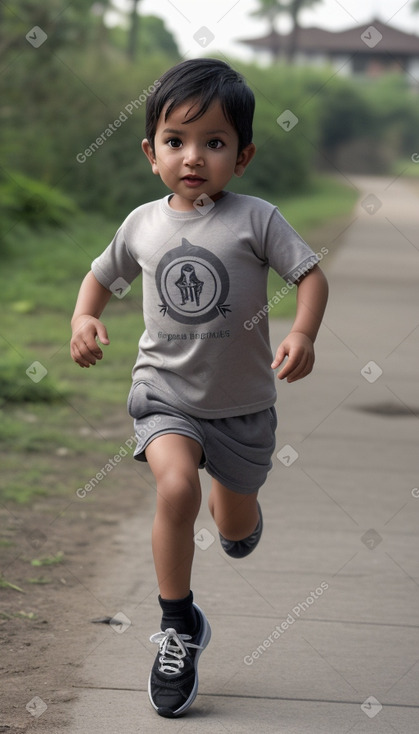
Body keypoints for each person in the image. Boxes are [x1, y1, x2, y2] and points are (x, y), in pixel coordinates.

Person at [70, 57, 328, 719]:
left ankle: (239, 515)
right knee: (176, 485)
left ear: (241, 157)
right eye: (176, 141)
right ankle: (177, 624)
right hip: (165, 395)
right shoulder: (141, 224)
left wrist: (302, 332)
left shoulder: (256, 219)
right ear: (149, 150)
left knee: (231, 524)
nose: (193, 157)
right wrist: (85, 316)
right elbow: (101, 276)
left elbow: (310, 277)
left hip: (243, 407)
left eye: (213, 143)